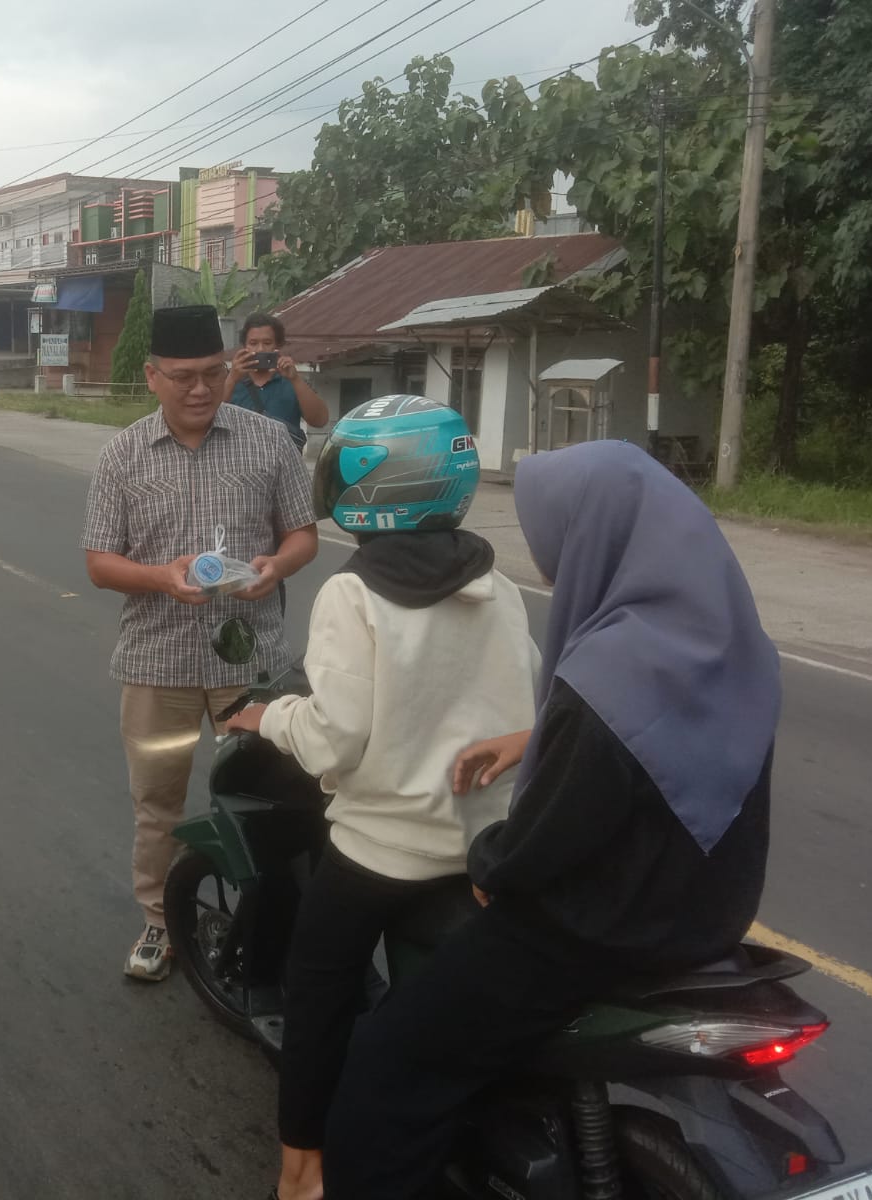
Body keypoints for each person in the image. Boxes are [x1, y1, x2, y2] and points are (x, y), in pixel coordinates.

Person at [320, 439, 780, 1198]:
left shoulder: (612, 672)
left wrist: (488, 861)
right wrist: (536, 735)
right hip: (711, 913)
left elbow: (544, 842)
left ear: (594, 535)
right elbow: (656, 750)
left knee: (388, 1063)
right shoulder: (721, 635)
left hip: (600, 930)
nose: (540, 556)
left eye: (549, 534)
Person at [221, 397, 538, 1200]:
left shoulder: (353, 594)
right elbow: (524, 700)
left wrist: (273, 714)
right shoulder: (494, 583)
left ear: (370, 487)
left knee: (317, 985)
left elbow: (336, 741)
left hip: (387, 850)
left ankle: (300, 1170)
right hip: (485, 838)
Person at [82, 304, 318, 982]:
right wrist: (160, 575)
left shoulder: (268, 441)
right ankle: (160, 921)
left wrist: (276, 565)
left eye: (214, 374)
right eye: (182, 377)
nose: (199, 390)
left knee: (271, 800)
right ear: (152, 377)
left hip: (253, 667)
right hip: (159, 667)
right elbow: (100, 562)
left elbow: (301, 533)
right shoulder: (122, 454)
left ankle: (269, 926)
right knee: (158, 802)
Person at [223, 312, 329, 452]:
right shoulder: (232, 382)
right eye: (253, 343)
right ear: (245, 347)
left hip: (284, 469)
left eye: (267, 343)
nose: (260, 349)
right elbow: (209, 420)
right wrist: (232, 378)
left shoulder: (291, 381)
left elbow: (320, 420)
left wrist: (295, 379)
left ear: (277, 346)